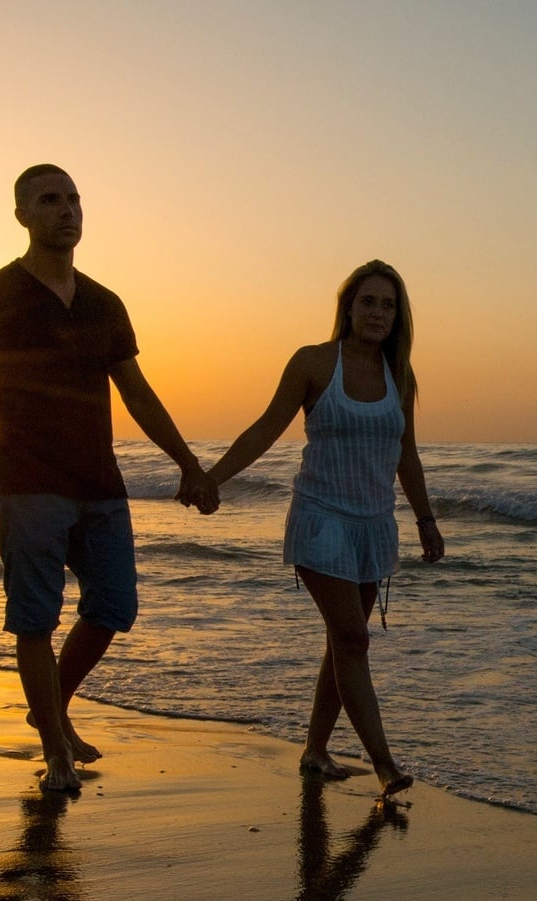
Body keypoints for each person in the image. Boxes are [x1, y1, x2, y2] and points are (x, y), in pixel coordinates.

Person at [0, 163, 209, 792]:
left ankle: (51, 707)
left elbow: (136, 391)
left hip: (100, 483)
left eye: (74, 199)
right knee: (34, 620)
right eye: (50, 200)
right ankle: (55, 753)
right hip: (28, 484)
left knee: (112, 606)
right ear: (22, 214)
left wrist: (188, 464)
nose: (66, 210)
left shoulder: (105, 303)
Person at [194, 260, 445, 798]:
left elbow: (407, 453)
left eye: (389, 305)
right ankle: (384, 764)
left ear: (398, 316)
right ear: (348, 306)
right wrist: (209, 478)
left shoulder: (400, 374)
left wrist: (426, 519)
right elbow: (265, 428)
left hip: (372, 525)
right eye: (368, 302)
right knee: (353, 638)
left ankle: (314, 751)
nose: (378, 313)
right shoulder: (313, 363)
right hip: (320, 521)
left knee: (343, 644)